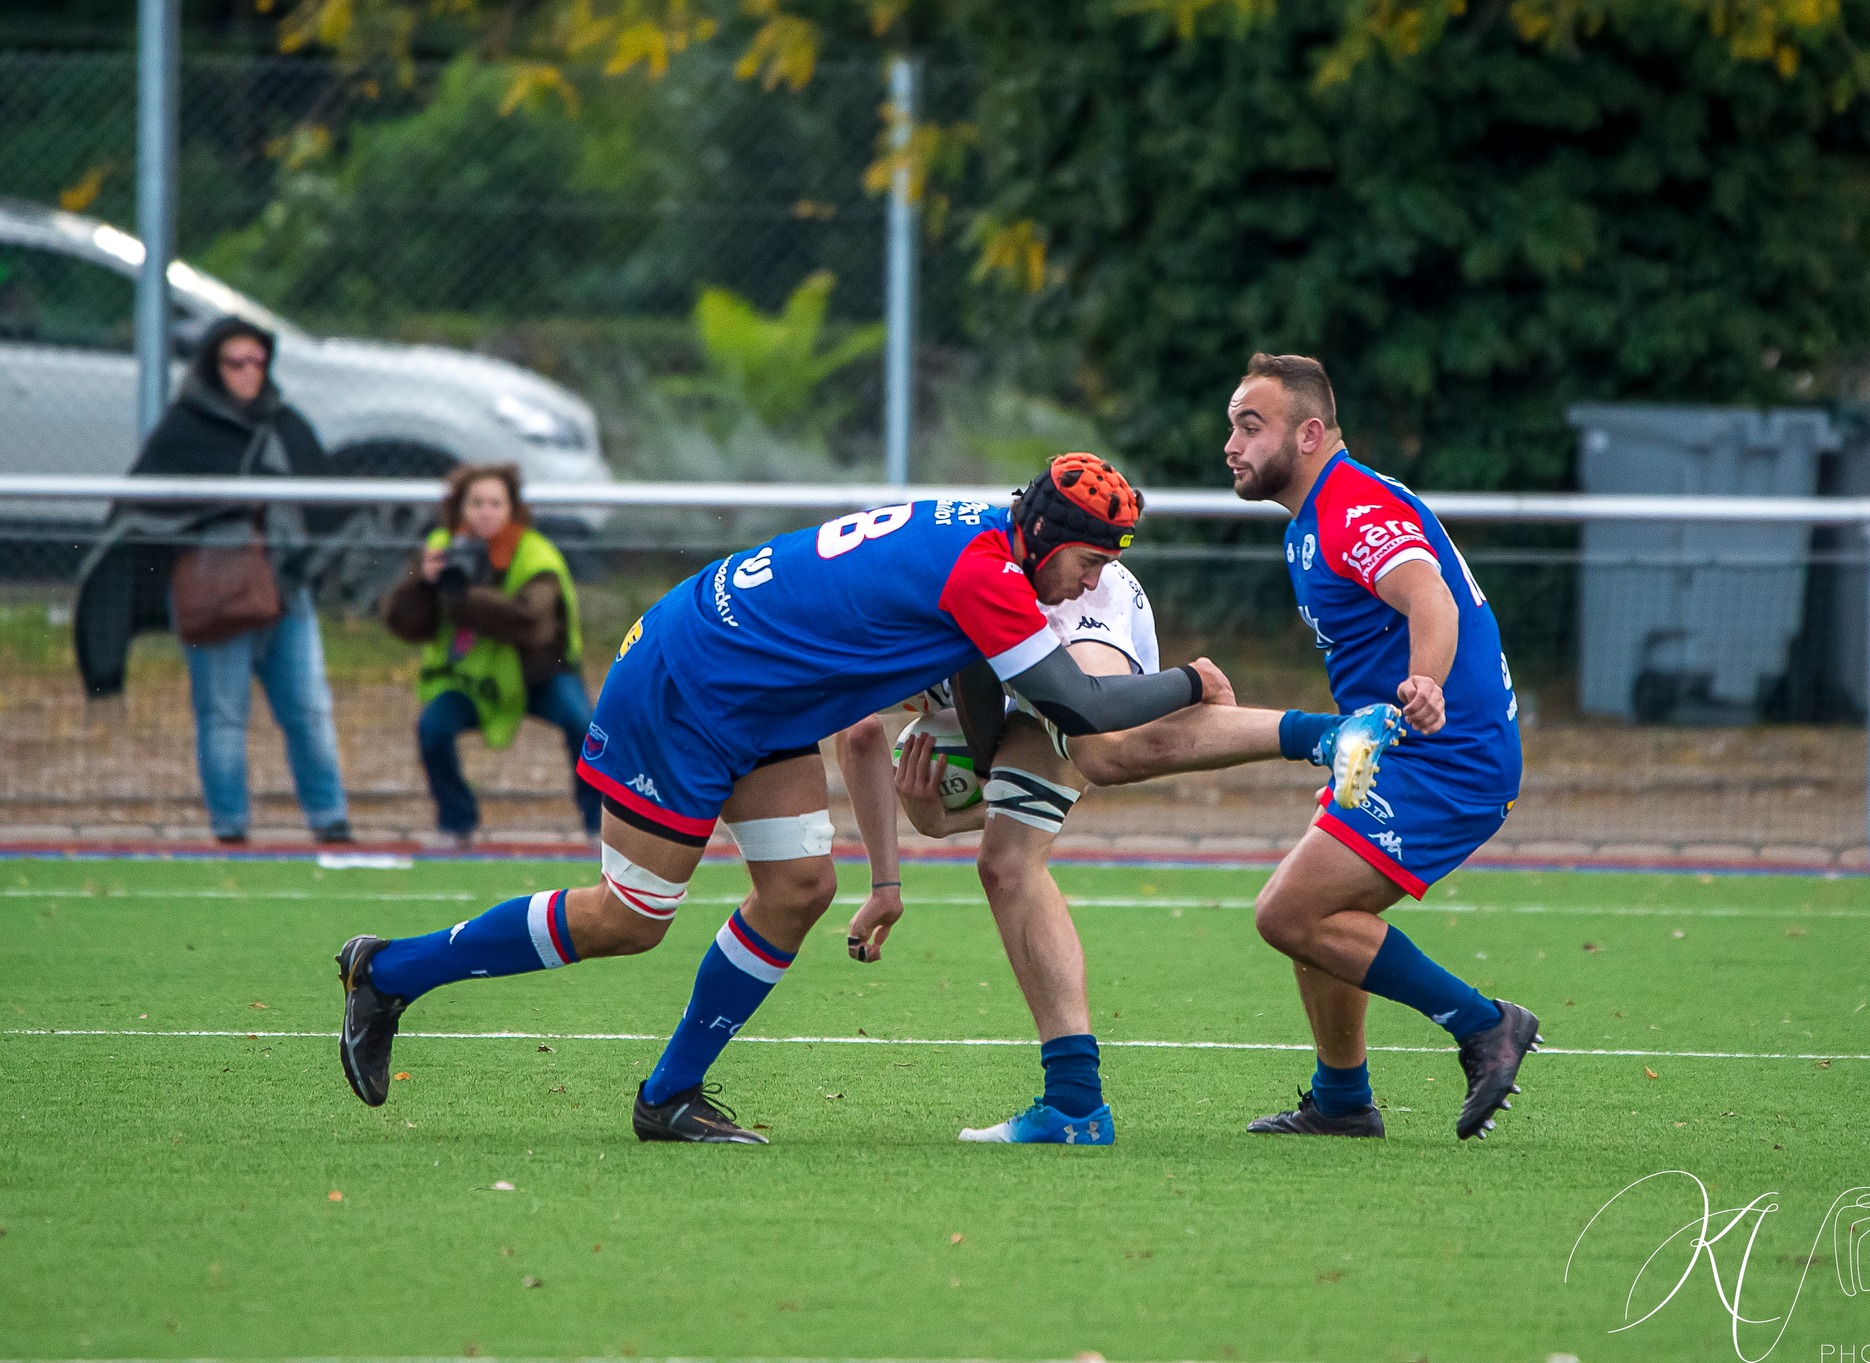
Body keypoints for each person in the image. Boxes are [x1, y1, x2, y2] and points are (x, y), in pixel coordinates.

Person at [334, 455, 1229, 1142]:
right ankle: (388, 972)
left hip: (757, 694)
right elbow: (1086, 707)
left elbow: (952, 697)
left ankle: (667, 1097)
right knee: (630, 916)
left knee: (800, 887)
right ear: (1043, 533)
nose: (1093, 582)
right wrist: (1192, 679)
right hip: (689, 683)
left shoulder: (988, 535)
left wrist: (895, 868)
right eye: (1087, 562)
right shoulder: (988, 576)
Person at [836, 561, 1349, 1145]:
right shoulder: (895, 634)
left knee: (1105, 748)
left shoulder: (1068, 587)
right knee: (1006, 865)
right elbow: (858, 733)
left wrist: (886, 882)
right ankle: (1074, 1104)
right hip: (1011, 653)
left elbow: (1086, 752)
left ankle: (1320, 732)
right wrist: (936, 826)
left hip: (1065, 616)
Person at [1221, 352, 1538, 1142]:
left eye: (1251, 425)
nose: (1231, 442)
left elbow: (1427, 593)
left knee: (1286, 912)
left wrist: (1423, 686)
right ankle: (1341, 1100)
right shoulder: (1312, 520)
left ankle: (1486, 1025)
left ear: (1309, 433)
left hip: (1447, 753)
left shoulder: (1350, 506)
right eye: (1232, 424)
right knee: (1314, 904)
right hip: (1404, 750)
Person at [117, 315, 351, 845]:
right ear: (211, 366)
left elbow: (325, 500)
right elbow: (142, 506)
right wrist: (229, 507)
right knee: (223, 718)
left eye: (256, 362)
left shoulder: (285, 422)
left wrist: (300, 553)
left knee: (309, 712)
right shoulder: (186, 426)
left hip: (286, 594)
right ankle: (230, 831)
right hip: (214, 599)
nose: (247, 373)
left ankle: (331, 824)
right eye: (234, 362)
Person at [380, 464, 599, 846]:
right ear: (459, 509)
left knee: (586, 726)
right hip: (473, 680)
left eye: (496, 503)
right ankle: (456, 824)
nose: (486, 512)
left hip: (538, 674)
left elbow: (532, 623)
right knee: (433, 729)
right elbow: (405, 626)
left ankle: (599, 826)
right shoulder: (442, 549)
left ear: (513, 508)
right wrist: (422, 583)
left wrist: (464, 598)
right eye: (476, 503)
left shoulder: (536, 555)